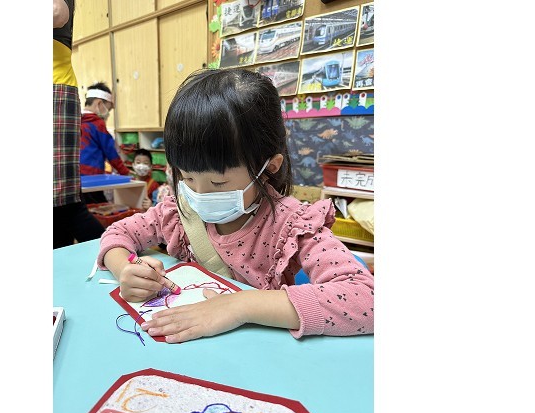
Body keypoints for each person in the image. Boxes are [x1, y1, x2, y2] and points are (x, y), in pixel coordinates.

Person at [96, 68, 374, 343]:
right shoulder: (177, 211)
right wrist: (125, 270)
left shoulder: (294, 226)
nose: (198, 194)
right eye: (188, 177)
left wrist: (239, 306)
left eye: (218, 183)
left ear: (268, 168)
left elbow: (367, 299)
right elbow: (117, 233)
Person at [53, 0, 105, 248]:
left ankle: (116, 251)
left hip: (55, 87)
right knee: (60, 208)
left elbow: (57, 12)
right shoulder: (96, 123)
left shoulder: (97, 124)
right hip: (90, 176)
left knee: (63, 204)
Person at [80, 82, 131, 204]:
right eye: (108, 109)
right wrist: (125, 172)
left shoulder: (75, 121)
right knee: (99, 207)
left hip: (75, 178)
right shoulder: (97, 124)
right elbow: (111, 152)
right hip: (93, 178)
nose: (108, 113)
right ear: (99, 104)